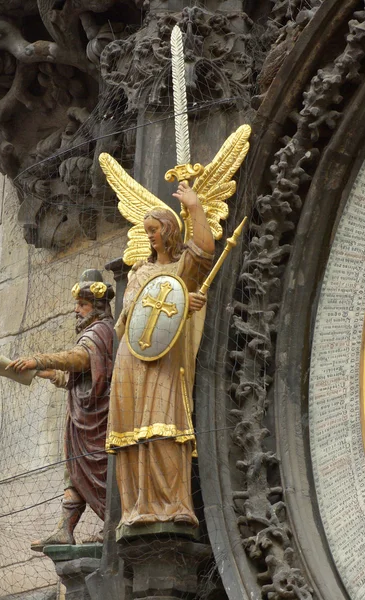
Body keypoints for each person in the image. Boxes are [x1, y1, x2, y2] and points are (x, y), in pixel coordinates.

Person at [106, 181, 214, 533]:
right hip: (131, 358)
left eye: (154, 230)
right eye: (146, 231)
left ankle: (174, 503)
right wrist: (182, 305)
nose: (149, 236)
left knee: (164, 424)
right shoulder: (138, 272)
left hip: (165, 358)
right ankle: (137, 506)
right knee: (132, 433)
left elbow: (203, 251)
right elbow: (131, 318)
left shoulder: (182, 267)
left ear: (168, 230)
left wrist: (194, 207)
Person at [7, 270, 115, 550]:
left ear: (98, 306)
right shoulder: (93, 332)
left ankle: (113, 521)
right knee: (76, 471)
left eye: (82, 305)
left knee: (98, 471)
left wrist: (38, 359)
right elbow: (82, 376)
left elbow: (80, 360)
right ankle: (64, 530)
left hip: (99, 420)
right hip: (83, 418)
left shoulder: (101, 330)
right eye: (76, 305)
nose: (76, 311)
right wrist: (49, 373)